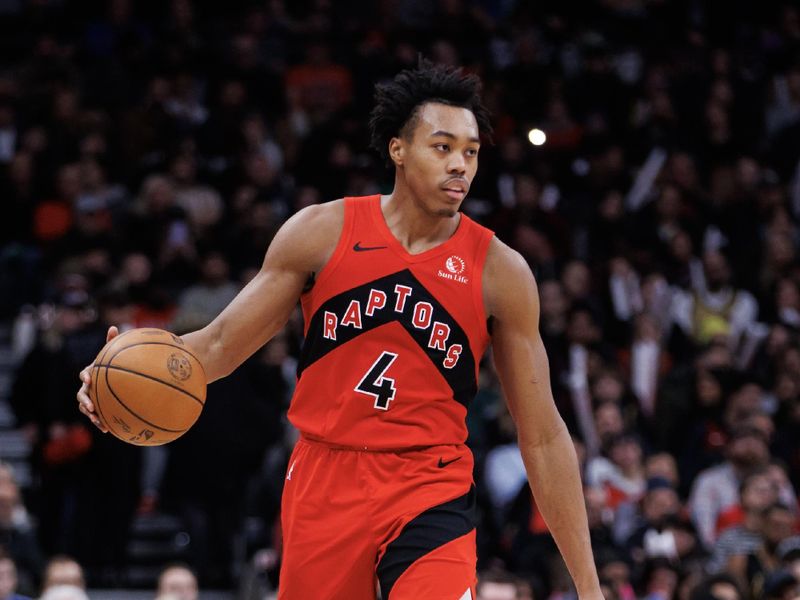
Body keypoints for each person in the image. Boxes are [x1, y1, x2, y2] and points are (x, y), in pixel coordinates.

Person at [78, 61, 602, 599]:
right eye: (442, 147)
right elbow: (213, 347)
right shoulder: (321, 232)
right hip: (325, 479)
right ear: (398, 149)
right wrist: (114, 375)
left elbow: (541, 434)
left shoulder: (501, 270)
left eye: (471, 152)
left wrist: (589, 586)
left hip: (430, 479)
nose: (460, 166)